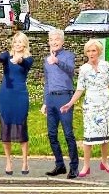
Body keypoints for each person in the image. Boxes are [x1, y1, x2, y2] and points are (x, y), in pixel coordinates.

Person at [61, 39, 109, 177]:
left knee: (105, 136)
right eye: (89, 51)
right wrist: (70, 103)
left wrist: (103, 96)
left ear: (99, 52)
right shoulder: (84, 69)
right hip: (90, 104)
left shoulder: (106, 66)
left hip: (105, 104)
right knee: (88, 136)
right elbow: (80, 89)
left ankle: (104, 162)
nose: (91, 53)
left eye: (94, 50)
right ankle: (86, 166)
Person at [0, 31, 33, 175]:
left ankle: (25, 162)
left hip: (20, 96)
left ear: (24, 44)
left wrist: (19, 60)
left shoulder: (29, 59)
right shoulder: (7, 56)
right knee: (5, 128)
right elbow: (1, 58)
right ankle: (9, 162)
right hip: (5, 96)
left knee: (22, 128)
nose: (17, 45)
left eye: (20, 42)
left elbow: (24, 63)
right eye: (15, 42)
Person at [40, 29, 78, 179]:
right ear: (48, 41)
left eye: (57, 39)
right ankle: (59, 164)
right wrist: (45, 102)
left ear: (62, 41)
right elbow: (47, 82)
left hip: (65, 98)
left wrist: (57, 61)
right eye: (51, 39)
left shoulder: (68, 56)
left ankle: (73, 167)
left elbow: (71, 71)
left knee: (68, 134)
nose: (54, 42)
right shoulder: (46, 60)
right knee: (51, 134)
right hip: (51, 99)